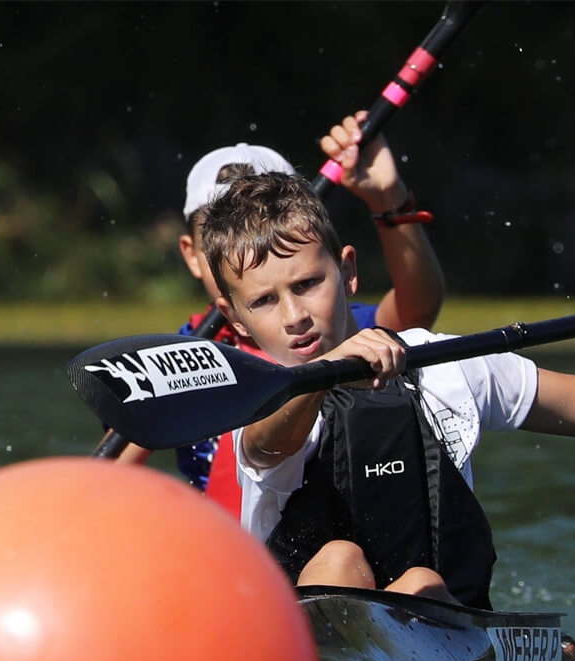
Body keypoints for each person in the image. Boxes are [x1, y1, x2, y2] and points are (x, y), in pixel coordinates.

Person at [199, 171, 575, 609]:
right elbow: (269, 445)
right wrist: (332, 369)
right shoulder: (254, 398)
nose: (294, 317)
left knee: (421, 583)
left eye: (308, 284)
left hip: (440, 610)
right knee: (342, 560)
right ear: (235, 318)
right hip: (308, 627)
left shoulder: (442, 362)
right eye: (264, 301)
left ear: (348, 271)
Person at [120, 112, 446, 508]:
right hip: (223, 549)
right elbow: (115, 470)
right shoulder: (174, 356)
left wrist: (387, 201)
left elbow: (417, 309)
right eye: (221, 232)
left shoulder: (327, 329)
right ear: (192, 253)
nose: (246, 248)